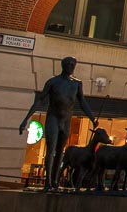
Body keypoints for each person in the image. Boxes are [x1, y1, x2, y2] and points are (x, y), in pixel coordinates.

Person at [19, 57, 98, 191]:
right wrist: (26, 119)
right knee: (50, 151)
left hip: (66, 120)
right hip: (53, 118)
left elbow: (82, 102)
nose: (70, 66)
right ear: (62, 65)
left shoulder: (77, 84)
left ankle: (55, 181)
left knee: (60, 152)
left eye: (73, 64)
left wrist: (92, 118)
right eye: (68, 64)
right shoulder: (53, 82)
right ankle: (48, 181)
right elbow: (39, 101)